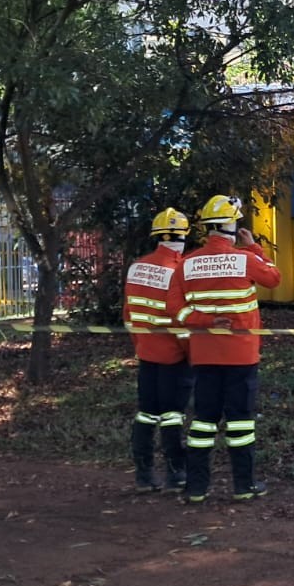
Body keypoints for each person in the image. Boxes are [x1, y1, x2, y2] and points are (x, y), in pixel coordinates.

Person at [175, 193, 281, 503]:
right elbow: (274, 278)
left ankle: (196, 489)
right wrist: (254, 247)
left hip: (204, 354)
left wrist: (205, 321)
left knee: (203, 420)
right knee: (241, 422)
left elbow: (176, 310)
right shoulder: (244, 259)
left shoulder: (187, 264)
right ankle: (243, 486)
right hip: (241, 354)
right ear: (230, 226)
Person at [121, 207, 195, 493]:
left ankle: (144, 475)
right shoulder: (179, 271)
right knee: (173, 415)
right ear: (183, 237)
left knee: (146, 413)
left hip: (147, 354)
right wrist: (191, 353)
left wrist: (140, 344)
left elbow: (129, 315)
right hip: (175, 357)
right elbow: (181, 321)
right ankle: (177, 475)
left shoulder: (136, 267)